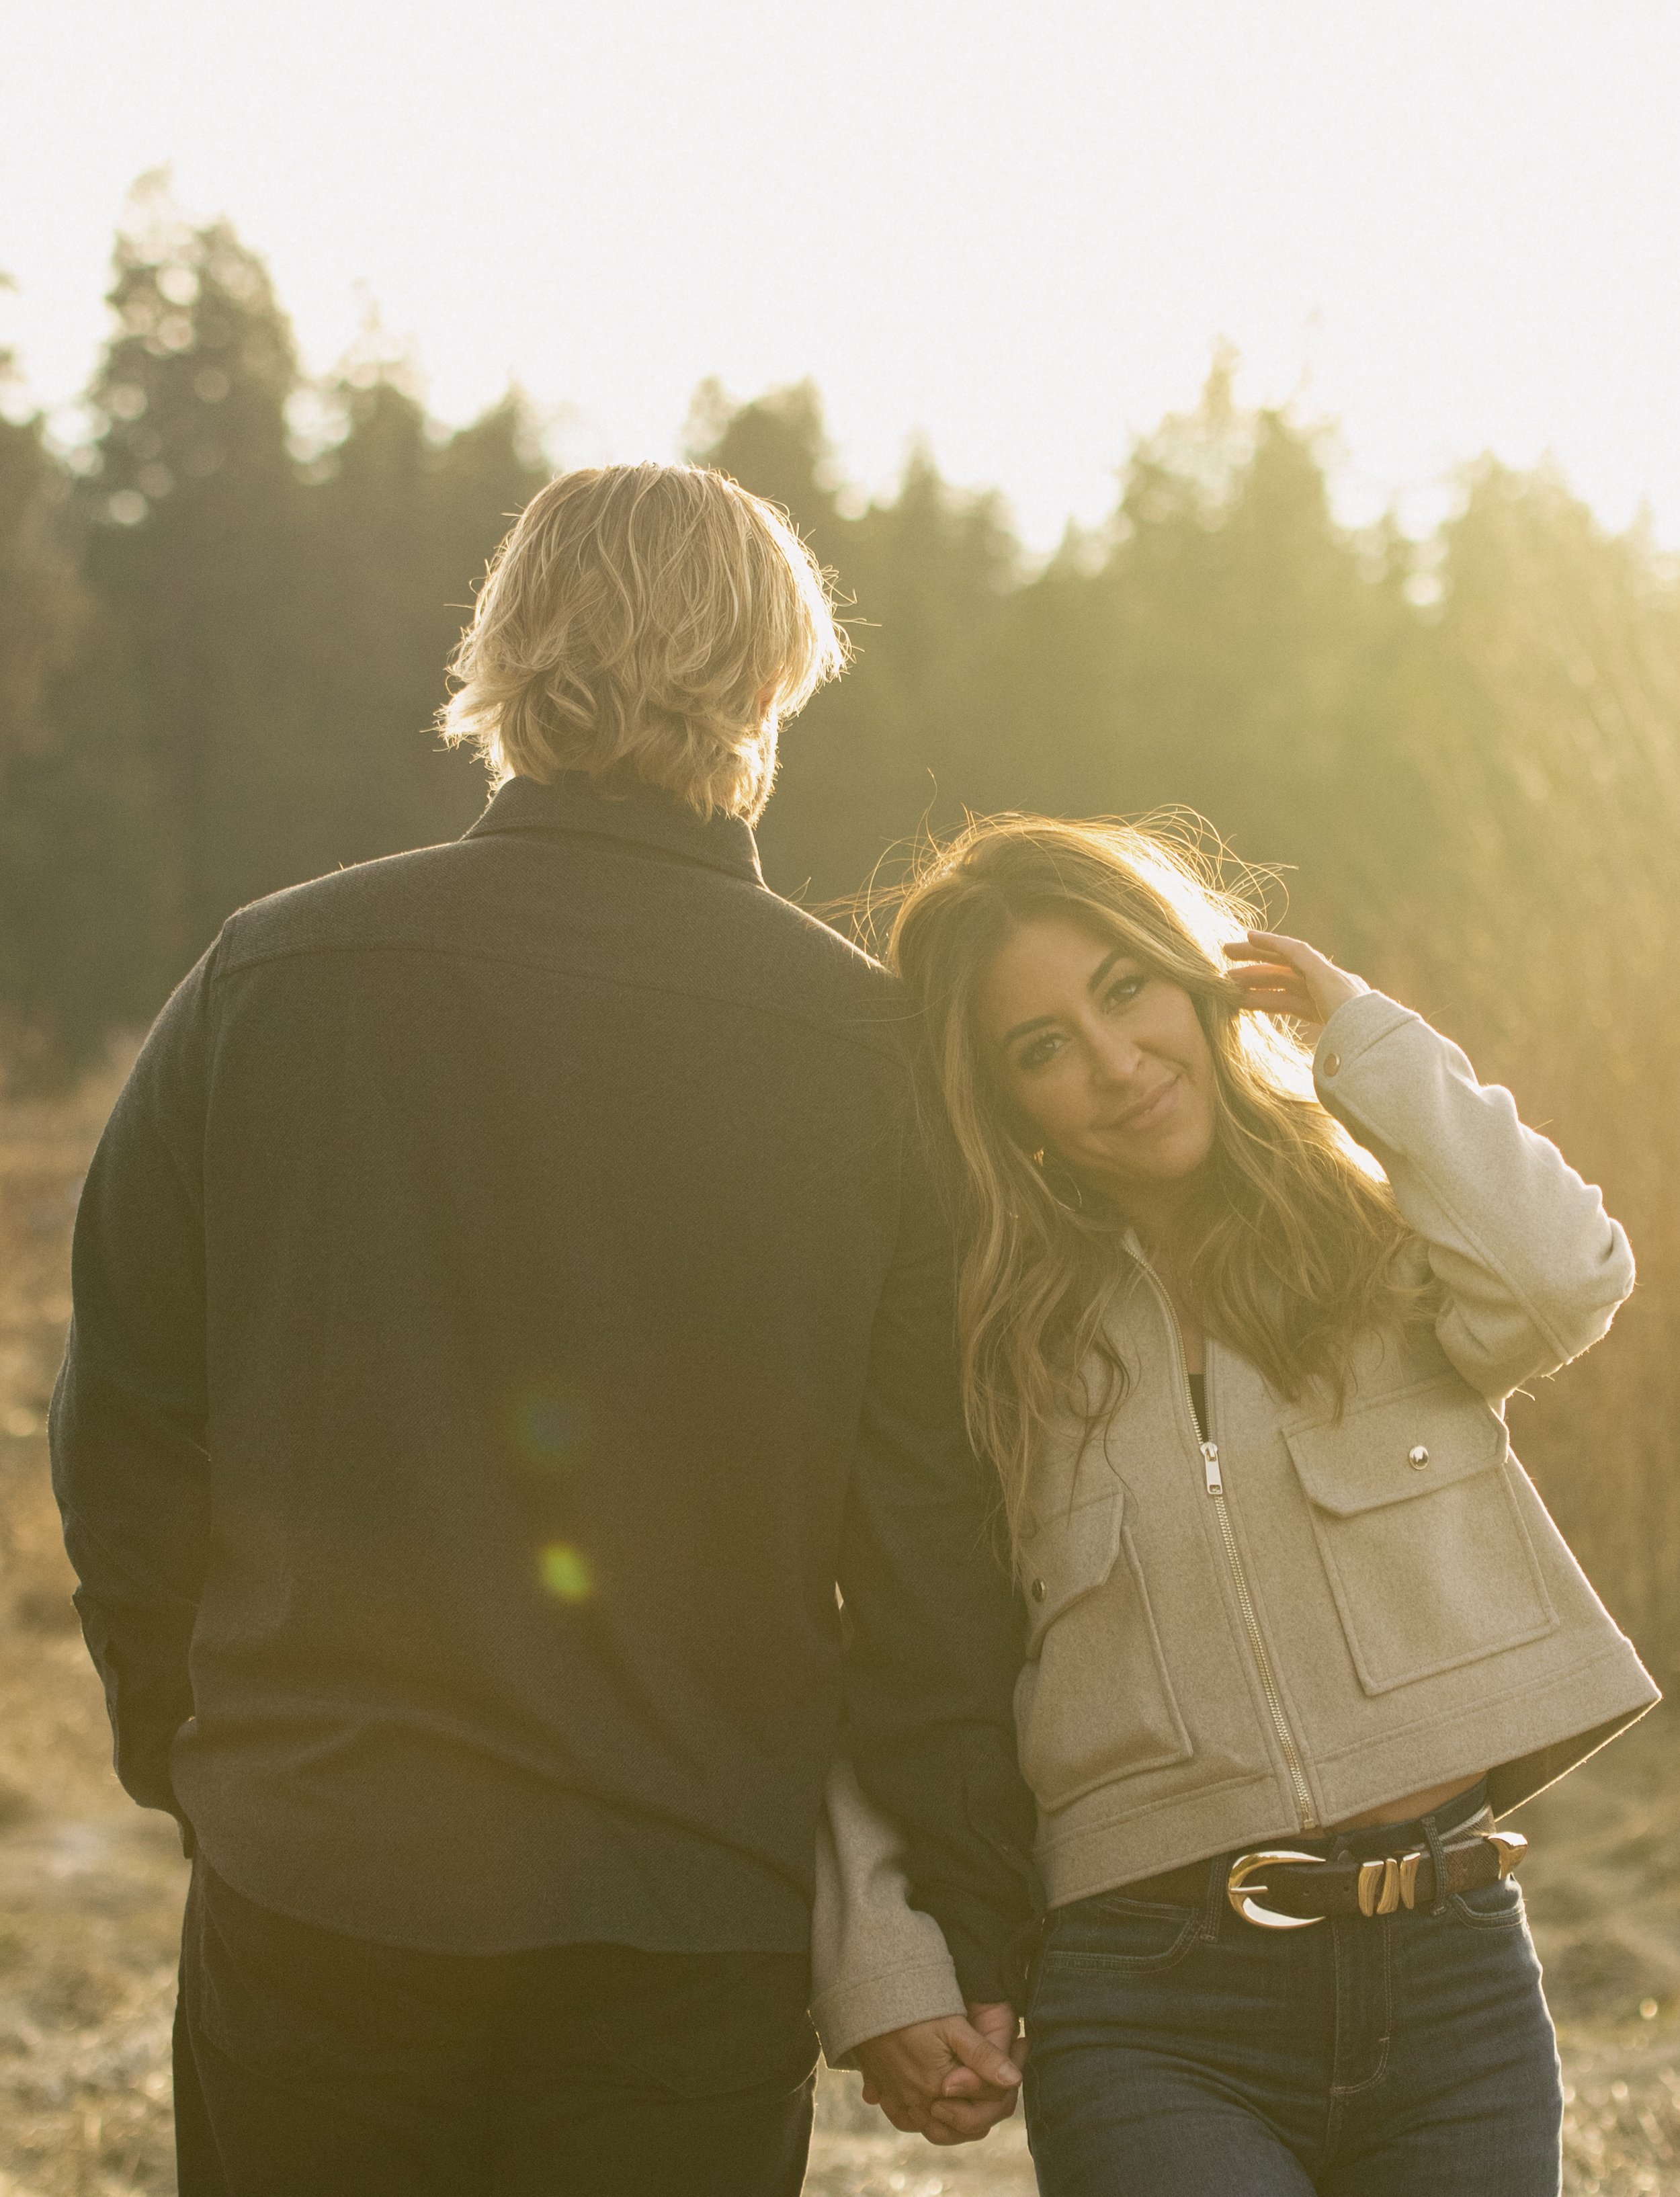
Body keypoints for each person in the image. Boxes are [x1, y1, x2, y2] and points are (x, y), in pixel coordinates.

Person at [50, 464, 1034, 2197]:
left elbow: (125, 1414)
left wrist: (195, 1752)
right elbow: (929, 1534)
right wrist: (961, 1905)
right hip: (685, 1921)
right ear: (762, 689)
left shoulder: (271, 978)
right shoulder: (869, 1054)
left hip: (319, 1884)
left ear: (501, 660)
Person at [811, 813, 1656, 2194]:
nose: (1111, 1064)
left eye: (1123, 989)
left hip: (1454, 1976)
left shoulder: (1383, 1246)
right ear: (999, 1102)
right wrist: (878, 1963)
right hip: (1149, 2005)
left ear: (1194, 977)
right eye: (1040, 1049)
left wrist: (1363, 1041)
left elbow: (1564, 1281)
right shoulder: (984, 1352)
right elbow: (895, 1646)